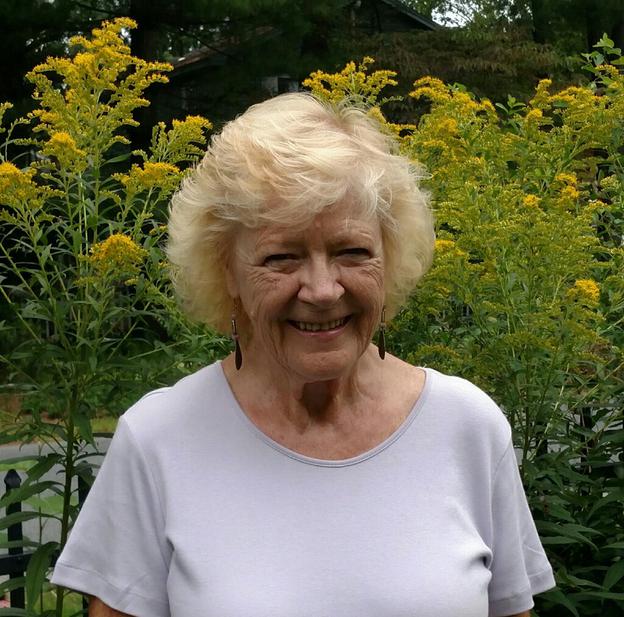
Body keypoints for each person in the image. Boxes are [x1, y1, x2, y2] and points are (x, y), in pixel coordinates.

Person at [51, 92, 556, 617]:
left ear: (389, 258)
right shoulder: (158, 439)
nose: (322, 290)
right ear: (226, 272)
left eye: (352, 251)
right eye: (282, 257)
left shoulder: (468, 426)